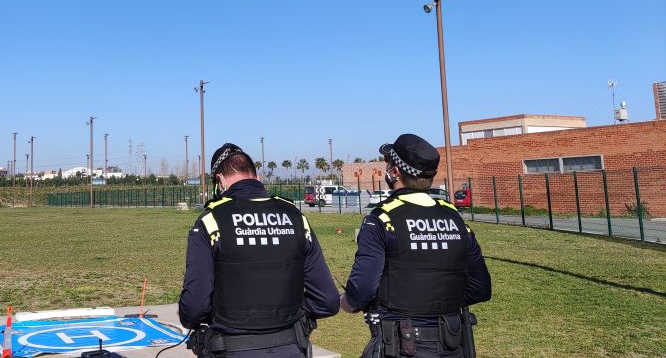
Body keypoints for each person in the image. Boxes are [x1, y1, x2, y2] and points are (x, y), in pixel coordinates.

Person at [179, 143, 340, 358]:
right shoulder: (295, 217)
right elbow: (327, 301)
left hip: (231, 347)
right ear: (257, 176)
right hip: (291, 345)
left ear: (220, 180)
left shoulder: (210, 222)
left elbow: (194, 308)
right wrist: (290, 313)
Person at [339, 134, 491, 358]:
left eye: (389, 163)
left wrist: (348, 302)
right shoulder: (454, 217)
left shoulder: (381, 219)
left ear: (395, 172)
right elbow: (480, 287)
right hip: (453, 342)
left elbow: (361, 290)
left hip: (402, 344)